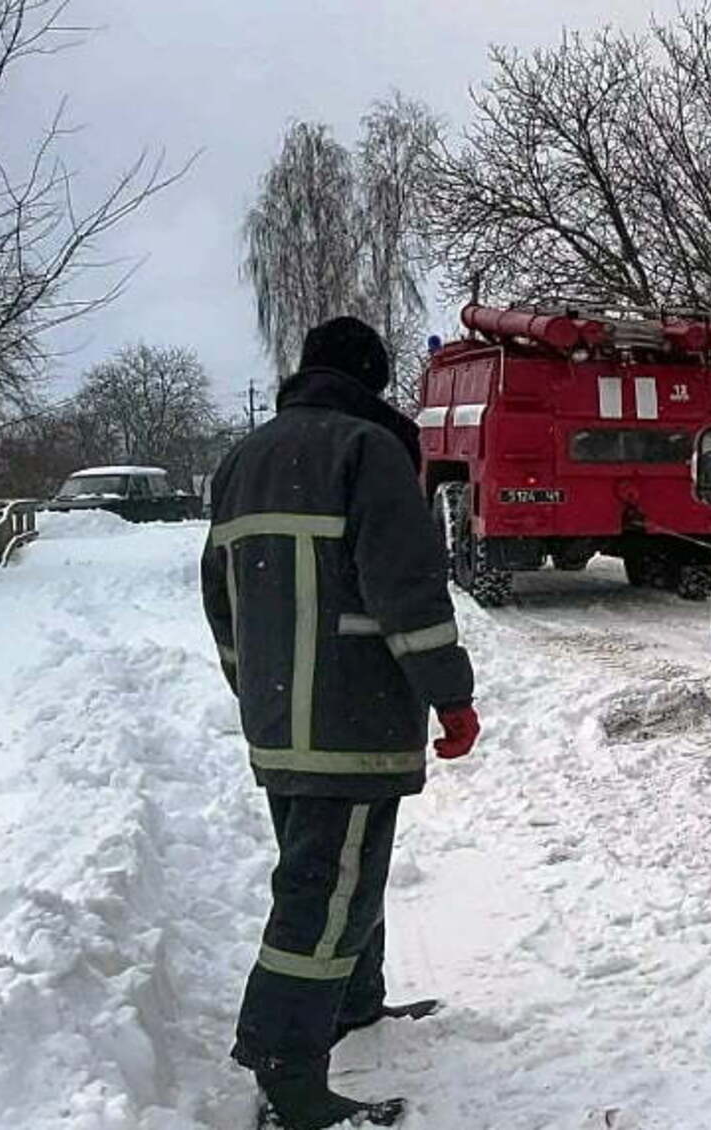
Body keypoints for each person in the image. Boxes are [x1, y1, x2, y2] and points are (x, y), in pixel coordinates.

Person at [201, 316, 481, 1129]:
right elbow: (407, 588)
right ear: (371, 380)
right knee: (327, 891)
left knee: (334, 869)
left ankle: (354, 1004)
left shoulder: (241, 461)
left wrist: (252, 685)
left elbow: (222, 597)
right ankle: (286, 1073)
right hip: (352, 715)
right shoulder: (368, 451)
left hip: (278, 713)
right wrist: (450, 694)